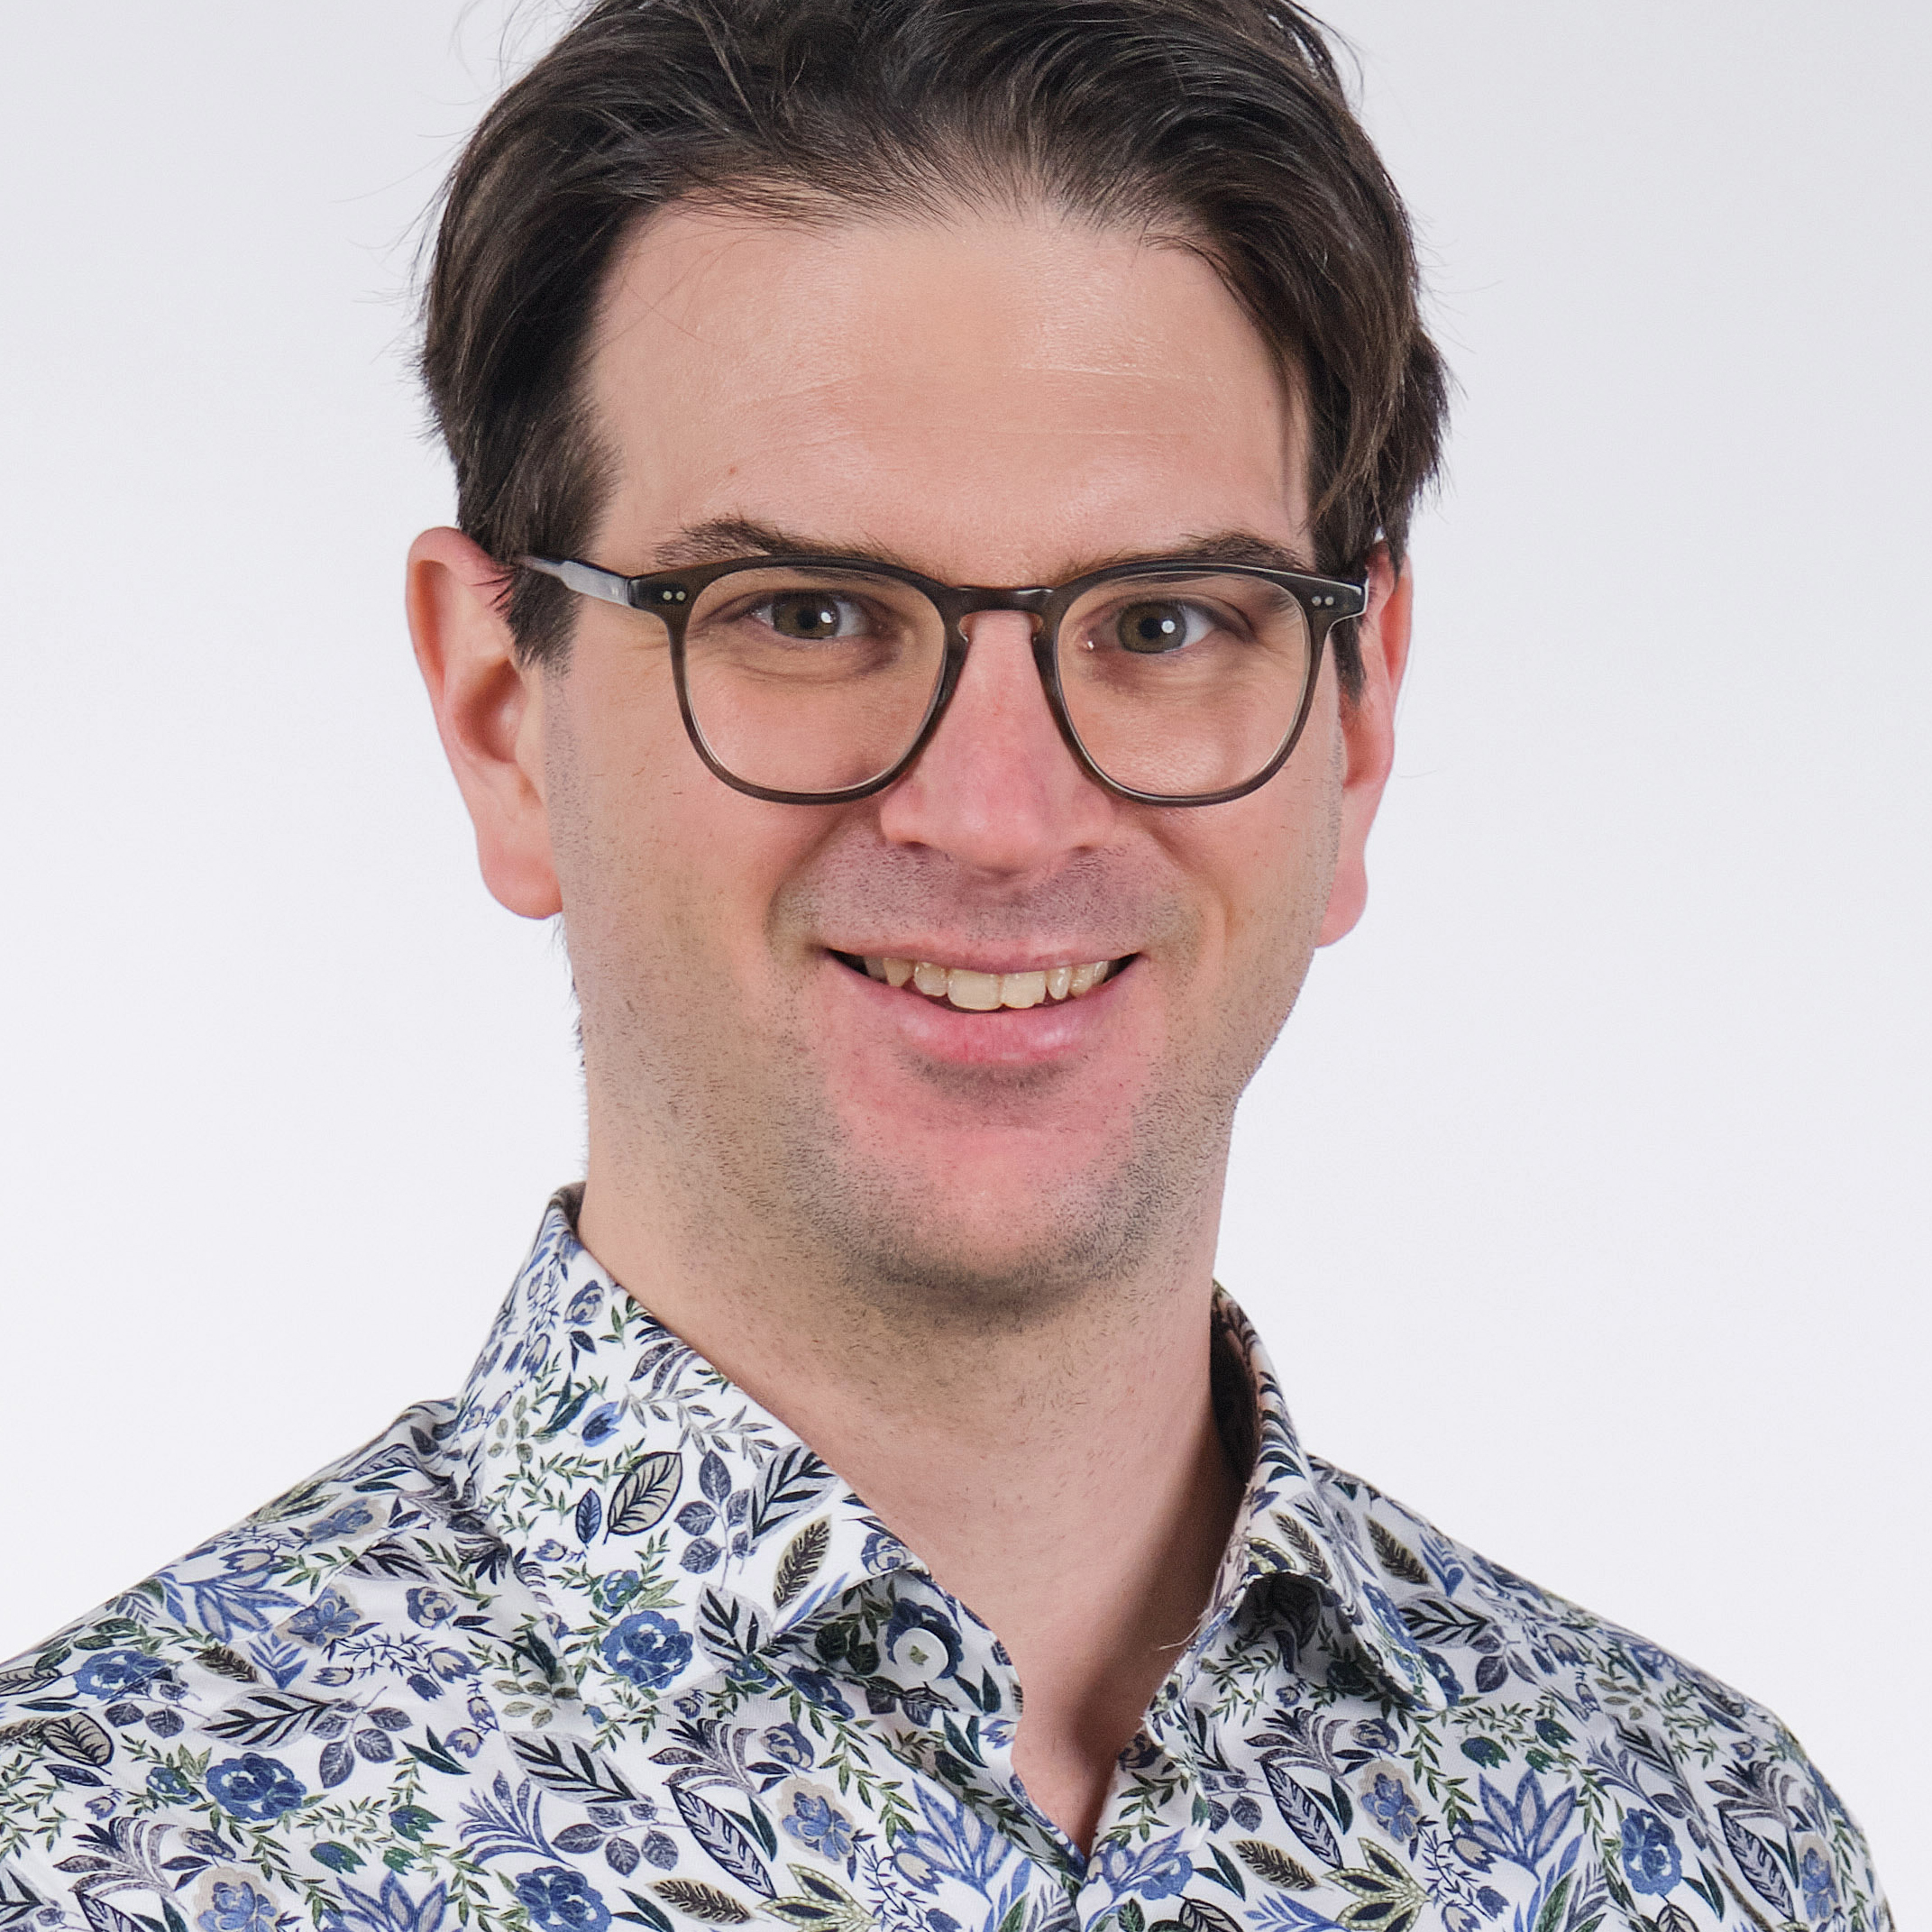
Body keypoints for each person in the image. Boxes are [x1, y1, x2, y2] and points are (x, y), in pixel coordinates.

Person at [0, 2, 1890, 1927]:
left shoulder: (1706, 1854)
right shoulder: (95, 1863)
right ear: (502, 714)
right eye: (807, 613)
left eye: (1164, 622)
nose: (998, 813)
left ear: (1357, 719)